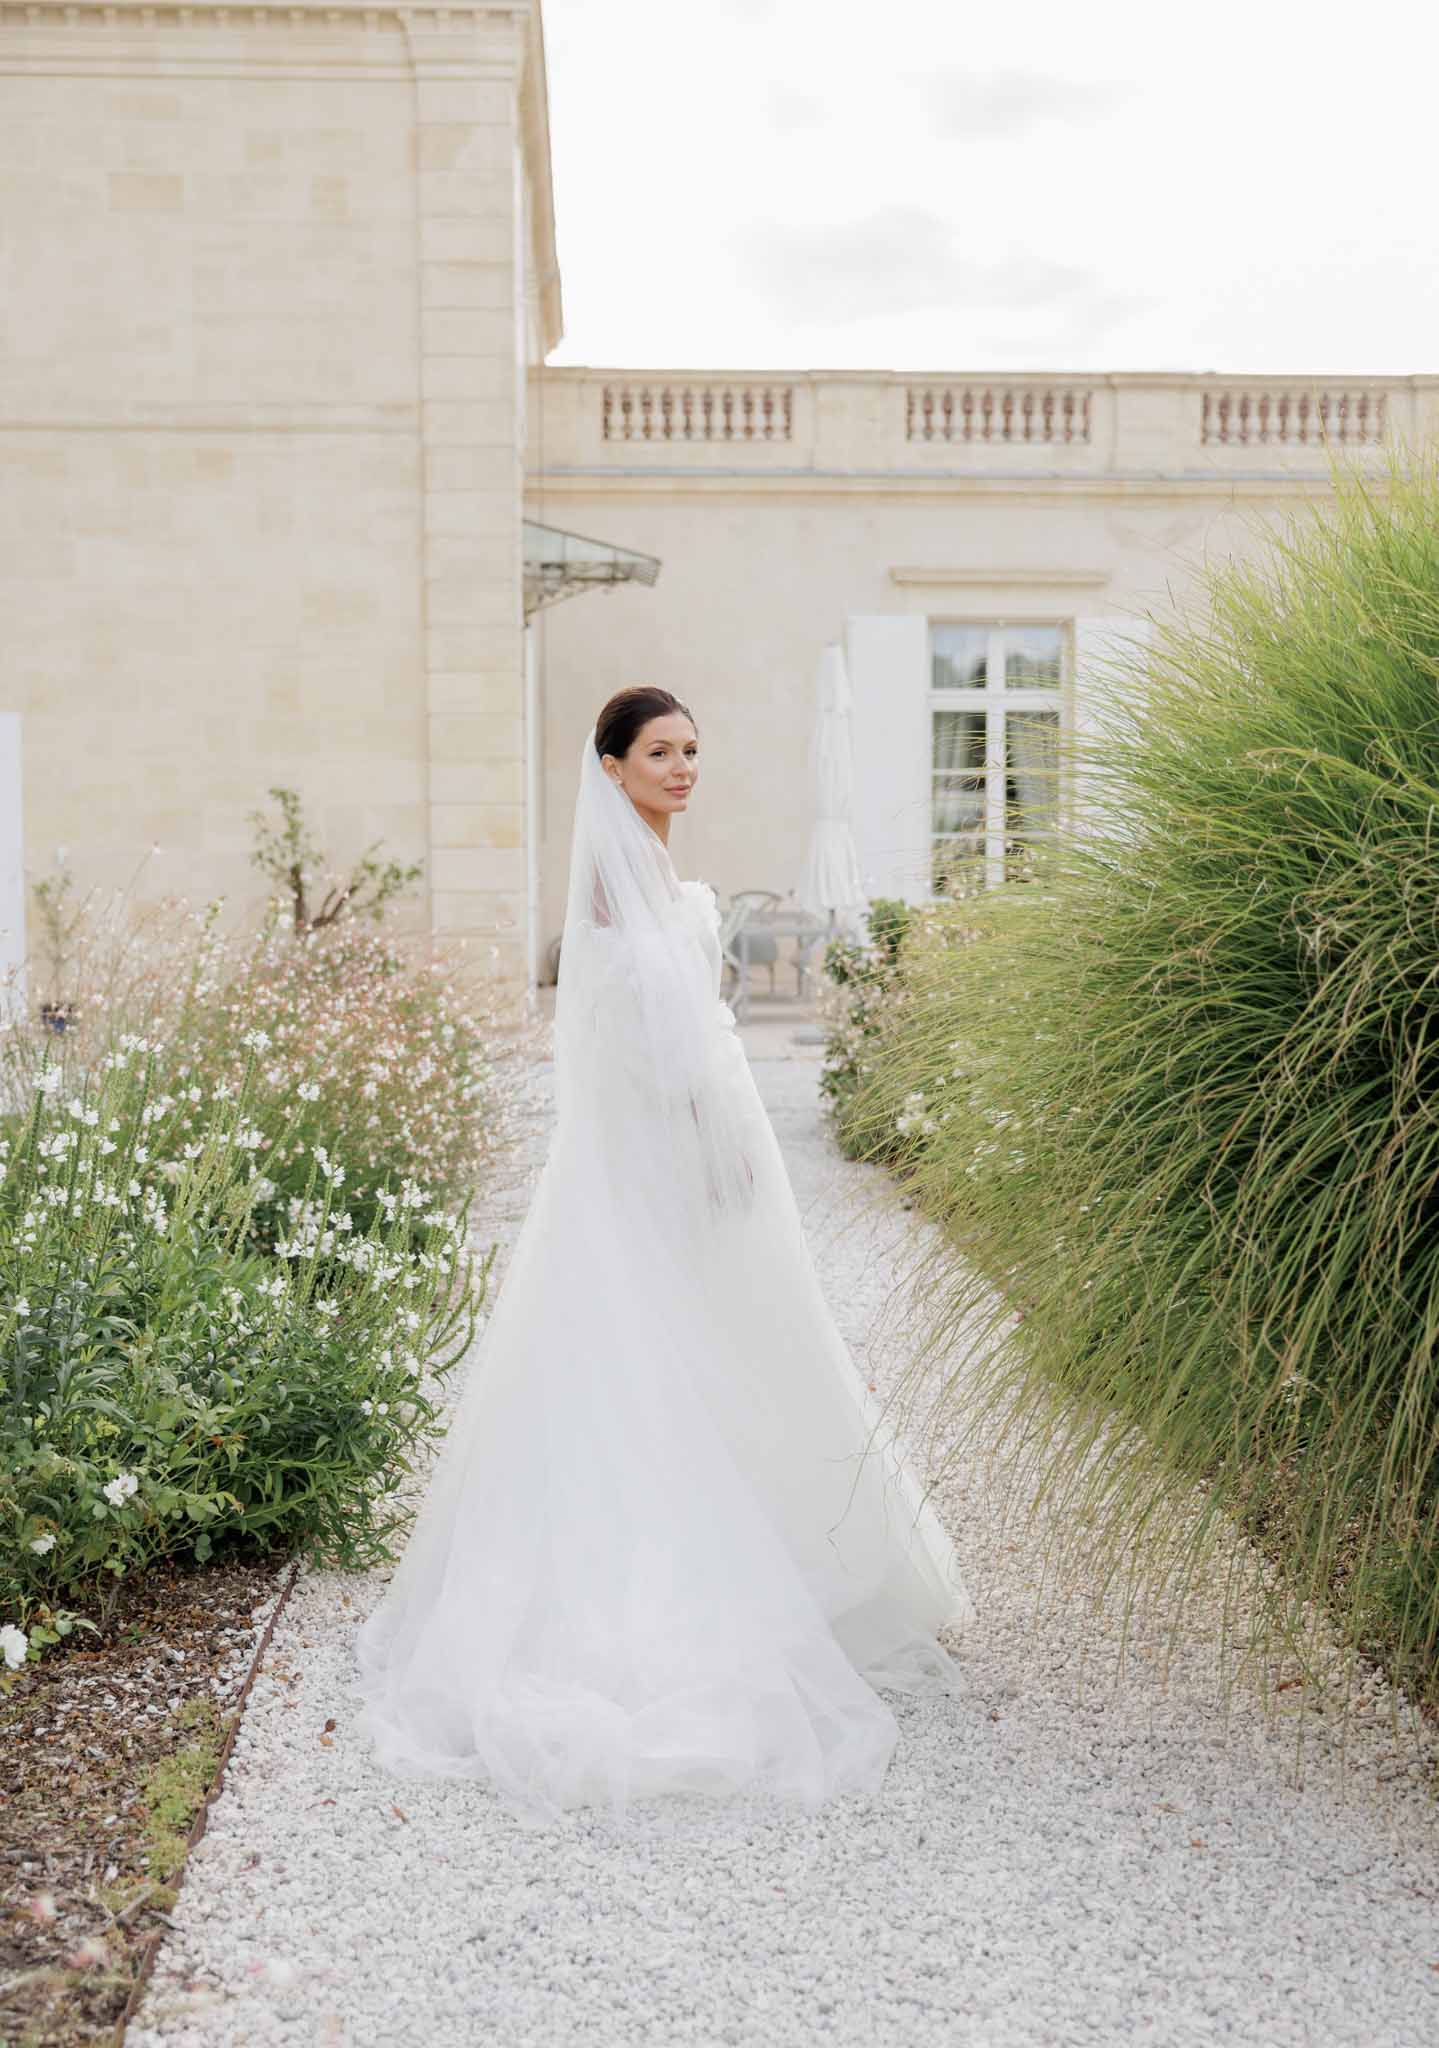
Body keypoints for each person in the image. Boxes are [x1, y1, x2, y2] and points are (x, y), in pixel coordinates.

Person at [355, 687, 974, 1826]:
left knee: (724, 1347)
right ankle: (671, 1598)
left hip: (685, 1150)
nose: (683, 767)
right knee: (649, 1359)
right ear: (610, 763)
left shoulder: (661, 877)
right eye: (659, 751)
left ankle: (791, 1558)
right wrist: (708, 1146)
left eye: (692, 749)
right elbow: (643, 1047)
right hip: (646, 1161)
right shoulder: (612, 889)